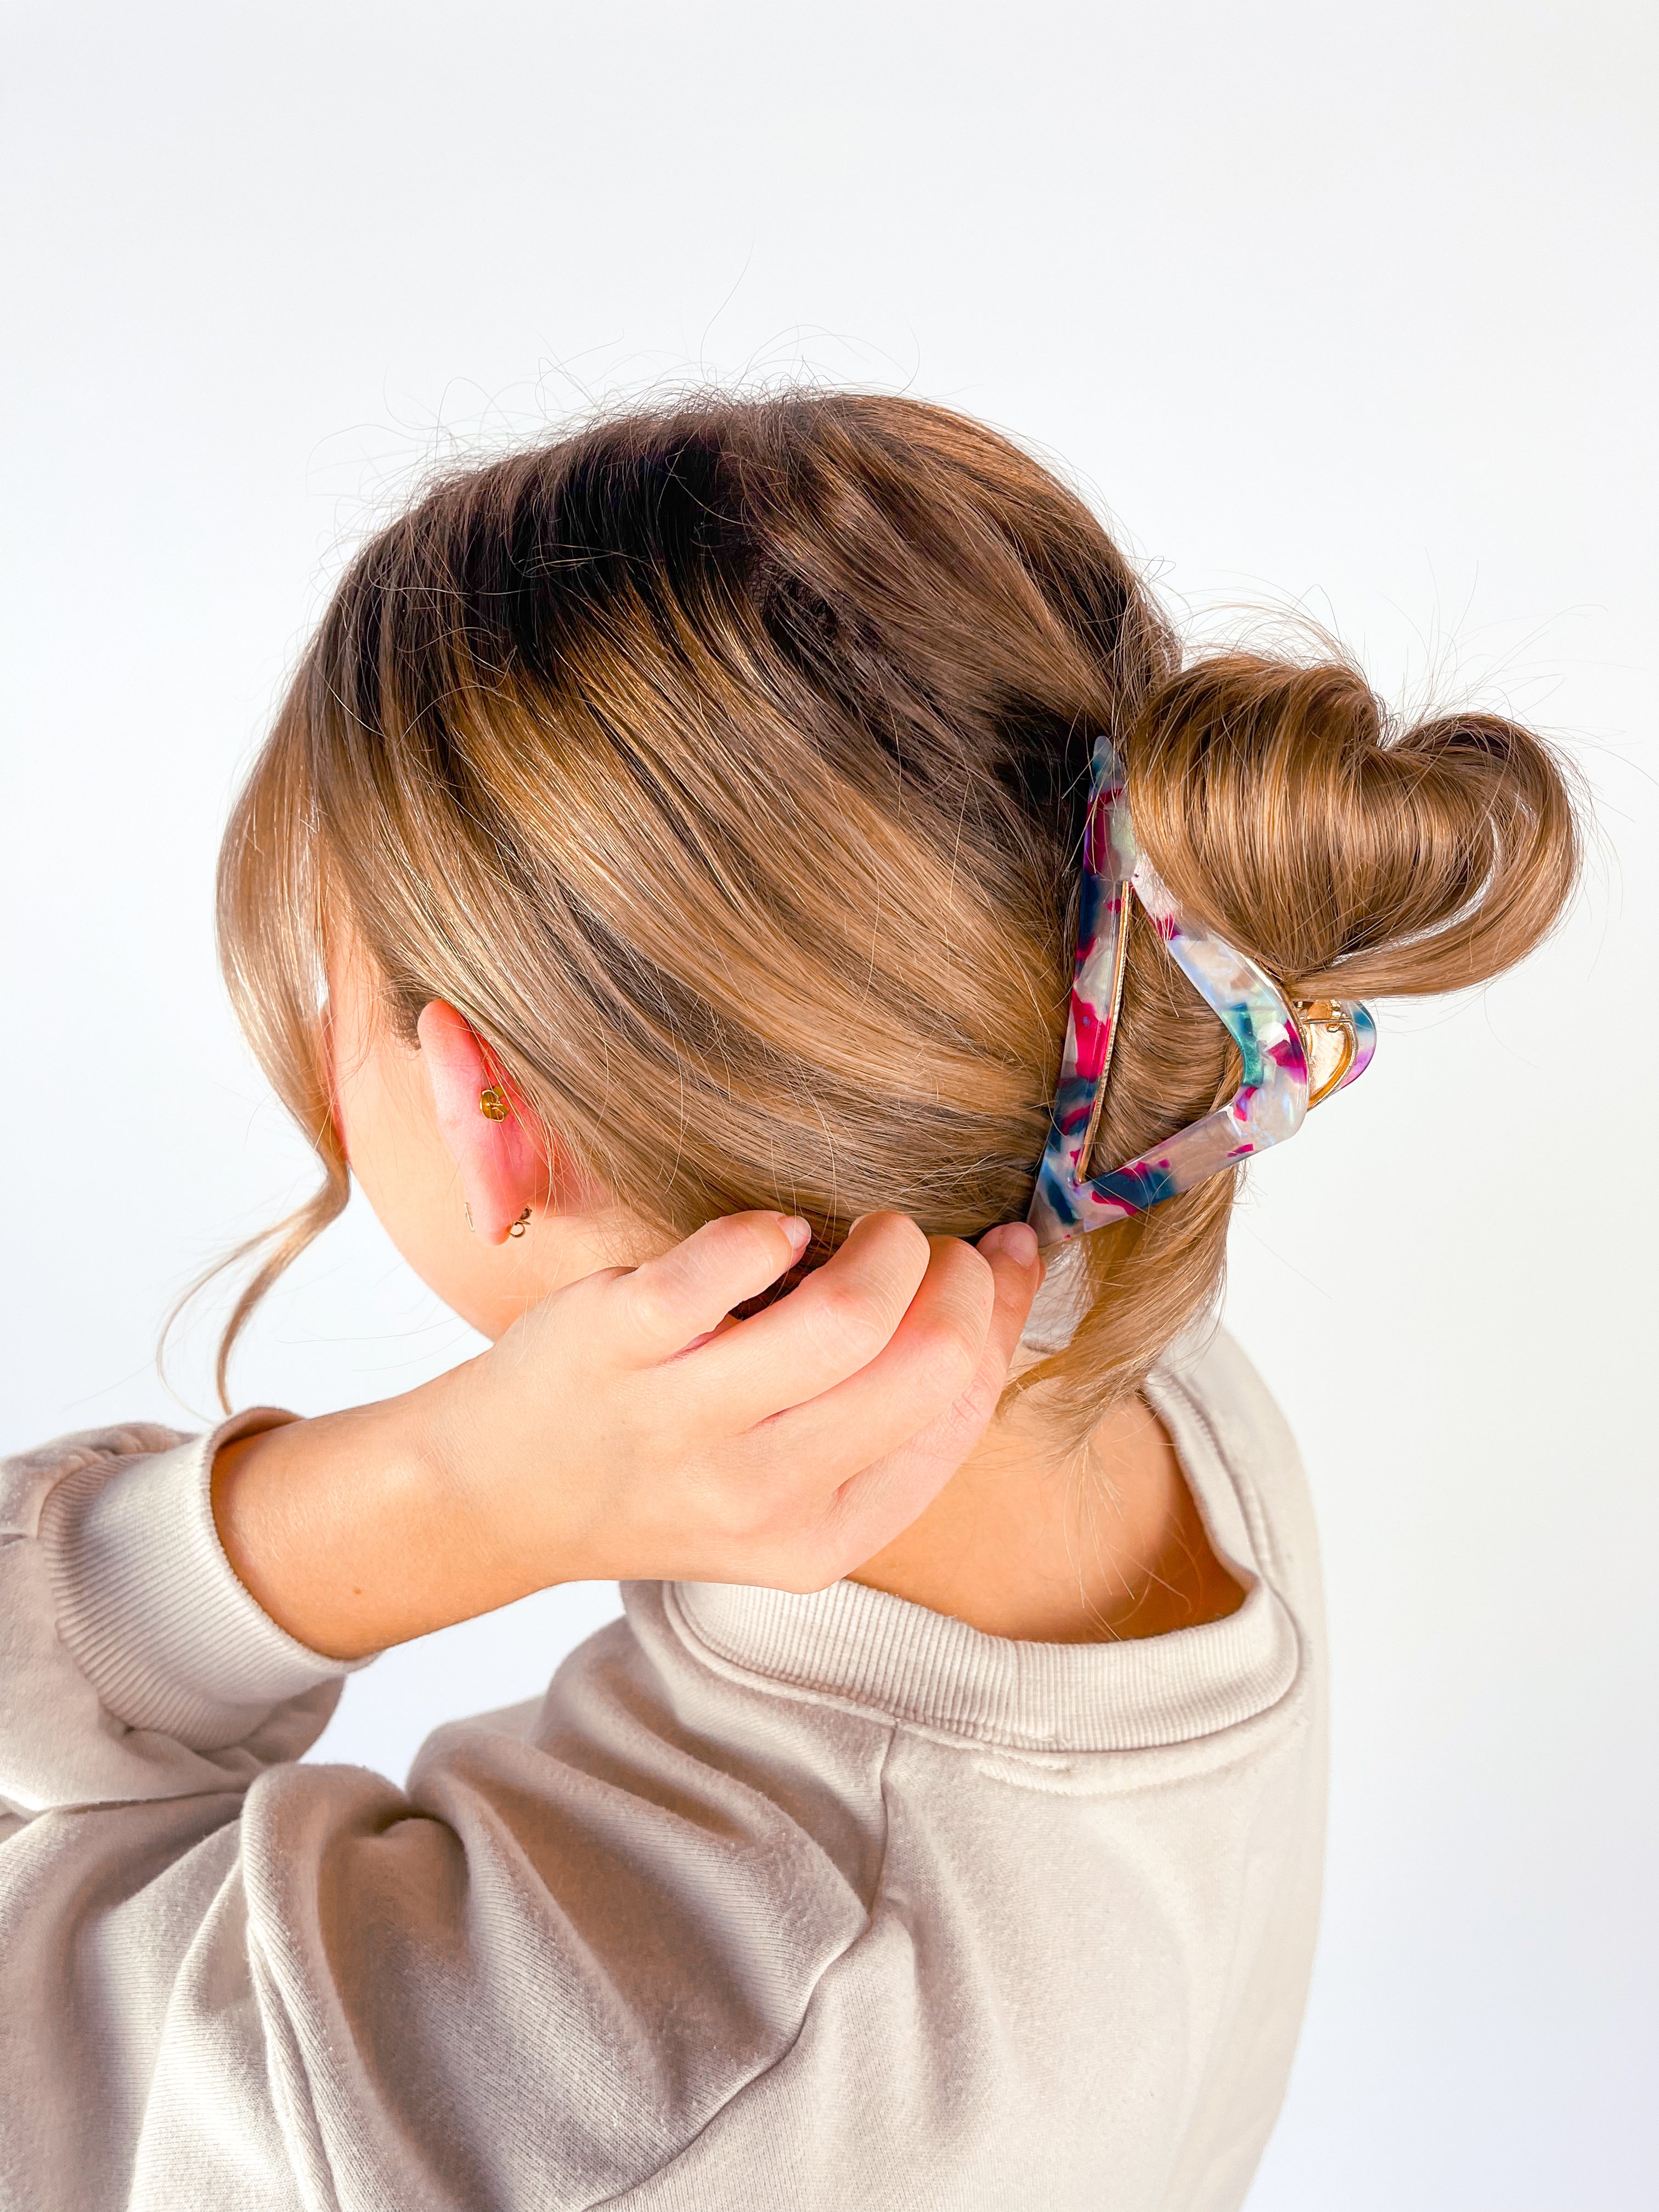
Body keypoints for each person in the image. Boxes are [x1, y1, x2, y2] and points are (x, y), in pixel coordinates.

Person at [0, 391, 1577, 2210]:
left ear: (484, 1113)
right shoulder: (1144, 1391)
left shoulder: (505, 2118)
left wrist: (411, 1508)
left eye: (337, 1004)